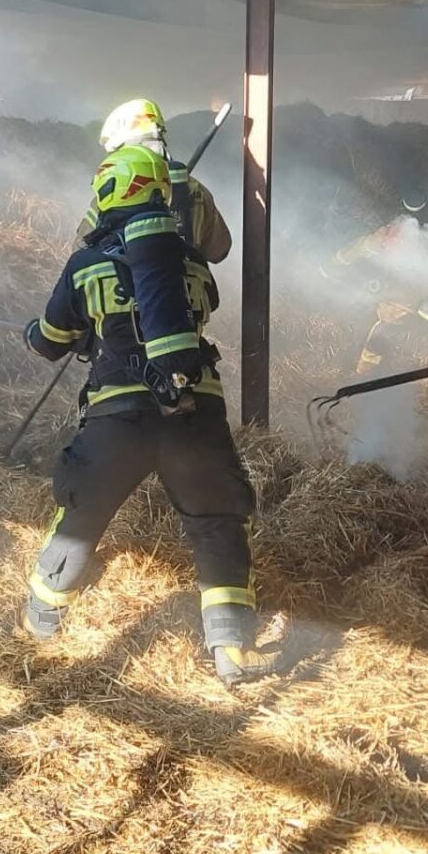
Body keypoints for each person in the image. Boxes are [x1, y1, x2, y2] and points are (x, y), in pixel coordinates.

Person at [26, 142, 276, 686]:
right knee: (216, 524)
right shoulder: (190, 263)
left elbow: (51, 339)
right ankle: (231, 649)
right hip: (195, 415)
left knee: (81, 517)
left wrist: (43, 332)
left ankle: (42, 620)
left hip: (120, 417)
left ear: (107, 192)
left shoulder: (86, 265)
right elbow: (202, 308)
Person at [324, 183, 428, 378]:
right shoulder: (387, 237)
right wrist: (334, 263)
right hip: (406, 289)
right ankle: (365, 374)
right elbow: (359, 247)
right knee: (386, 325)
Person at [76, 97, 232, 263]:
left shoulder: (113, 192)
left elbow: (80, 249)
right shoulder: (195, 190)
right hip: (184, 288)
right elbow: (219, 251)